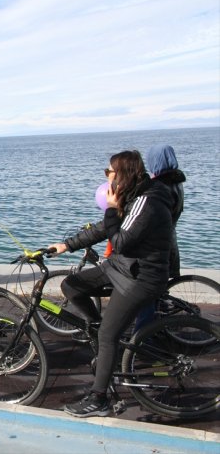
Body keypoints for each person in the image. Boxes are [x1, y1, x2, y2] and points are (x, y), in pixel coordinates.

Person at [49, 150, 173, 418]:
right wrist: (66, 245)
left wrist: (110, 210)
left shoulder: (147, 202)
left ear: (124, 174)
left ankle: (99, 399)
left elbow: (120, 241)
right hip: (122, 267)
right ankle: (100, 332)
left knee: (108, 335)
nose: (107, 177)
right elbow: (103, 229)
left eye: (110, 172)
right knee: (71, 285)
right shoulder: (133, 197)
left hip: (141, 277)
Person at [132, 145, 187, 331]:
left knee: (147, 295)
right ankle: (158, 326)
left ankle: (145, 336)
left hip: (158, 247)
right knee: (158, 291)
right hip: (171, 242)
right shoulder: (177, 183)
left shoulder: (160, 187)